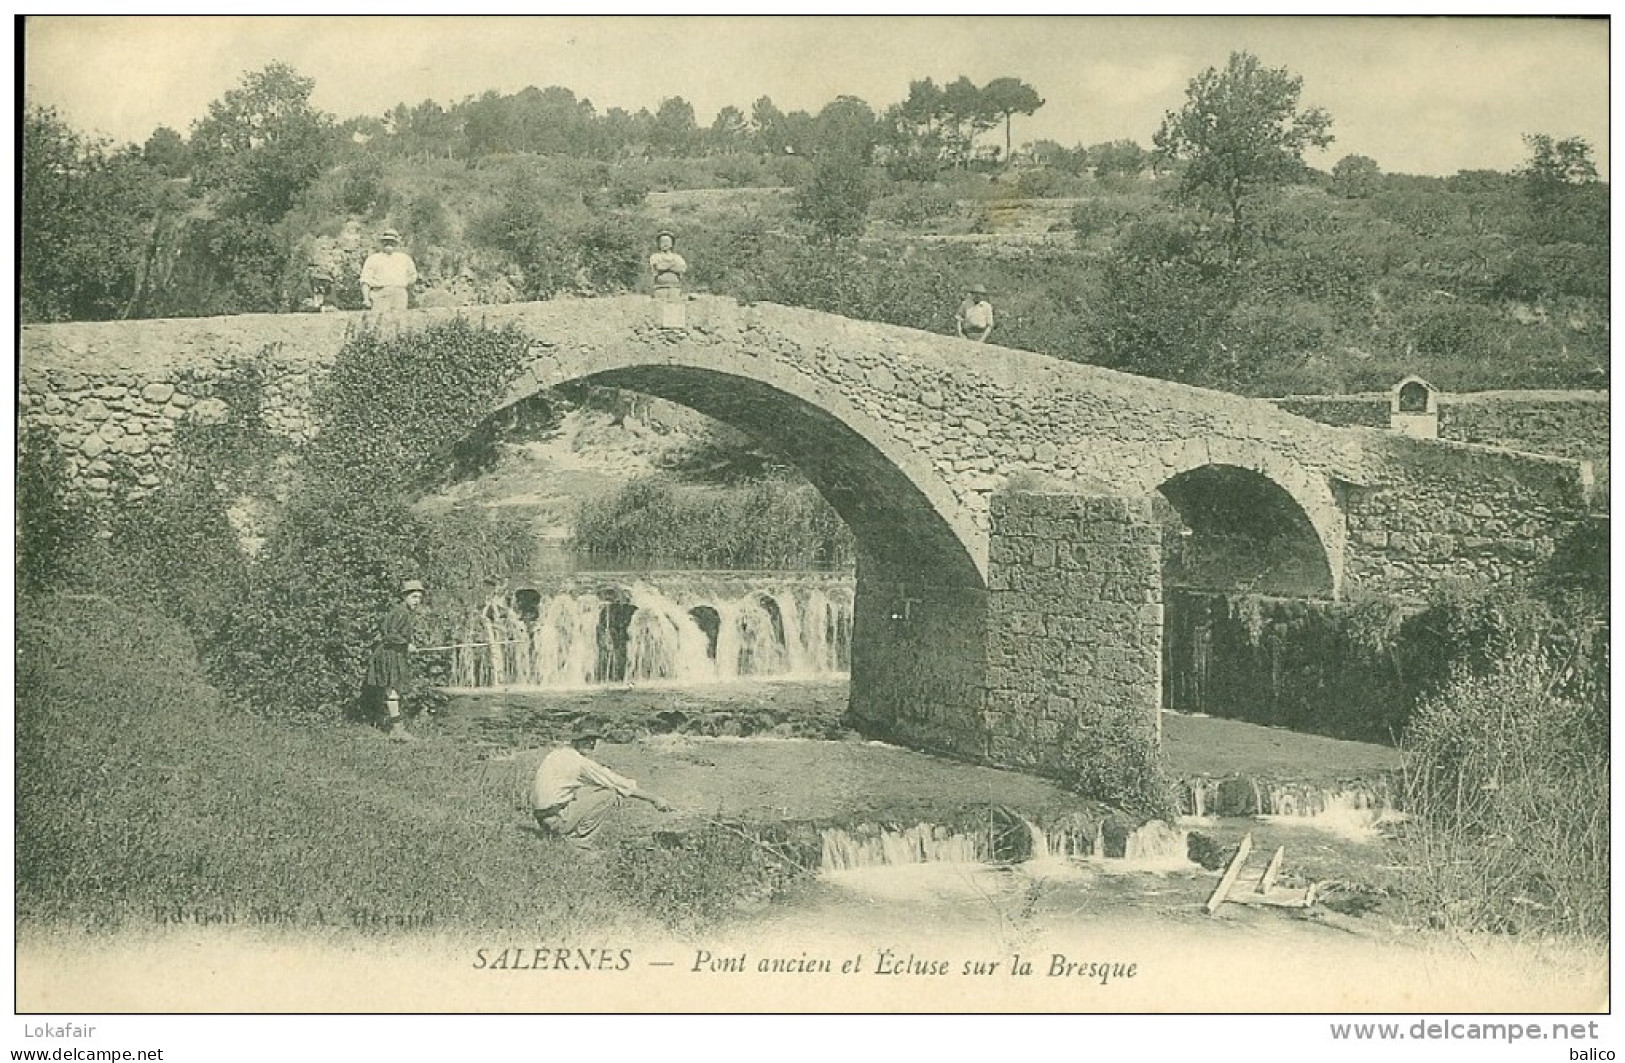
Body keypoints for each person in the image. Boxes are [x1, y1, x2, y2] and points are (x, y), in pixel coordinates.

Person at [530, 720, 674, 848]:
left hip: (542, 817)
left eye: (594, 739)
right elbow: (618, 782)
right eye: (586, 739)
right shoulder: (581, 763)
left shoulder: (557, 754)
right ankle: (579, 843)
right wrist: (655, 799)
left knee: (599, 789)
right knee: (608, 794)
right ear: (577, 740)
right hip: (555, 819)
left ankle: (553, 833)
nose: (591, 743)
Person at [363, 579, 426, 741]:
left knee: (394, 690)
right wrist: (406, 645)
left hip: (394, 654)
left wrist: (406, 646)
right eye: (413, 597)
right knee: (392, 690)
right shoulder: (400, 612)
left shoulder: (404, 612)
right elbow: (389, 634)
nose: (417, 601)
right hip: (388, 655)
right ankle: (397, 730)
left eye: (419, 597)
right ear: (404, 596)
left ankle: (396, 729)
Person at [359, 229, 419, 312]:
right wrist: (366, 299)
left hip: (399, 296)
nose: (389, 243)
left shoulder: (404, 258)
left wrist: (403, 284)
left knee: (399, 322)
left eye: (392, 241)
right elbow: (365, 280)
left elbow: (413, 275)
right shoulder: (373, 259)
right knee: (379, 322)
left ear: (396, 243)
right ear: (382, 242)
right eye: (386, 241)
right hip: (380, 295)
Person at [648, 230, 687, 302]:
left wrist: (666, 266)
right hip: (660, 288)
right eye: (662, 242)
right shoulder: (655, 256)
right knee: (660, 308)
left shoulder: (678, 257)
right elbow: (659, 267)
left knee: (674, 308)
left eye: (667, 241)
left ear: (672, 244)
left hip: (675, 287)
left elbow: (681, 268)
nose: (665, 244)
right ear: (659, 244)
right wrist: (672, 265)